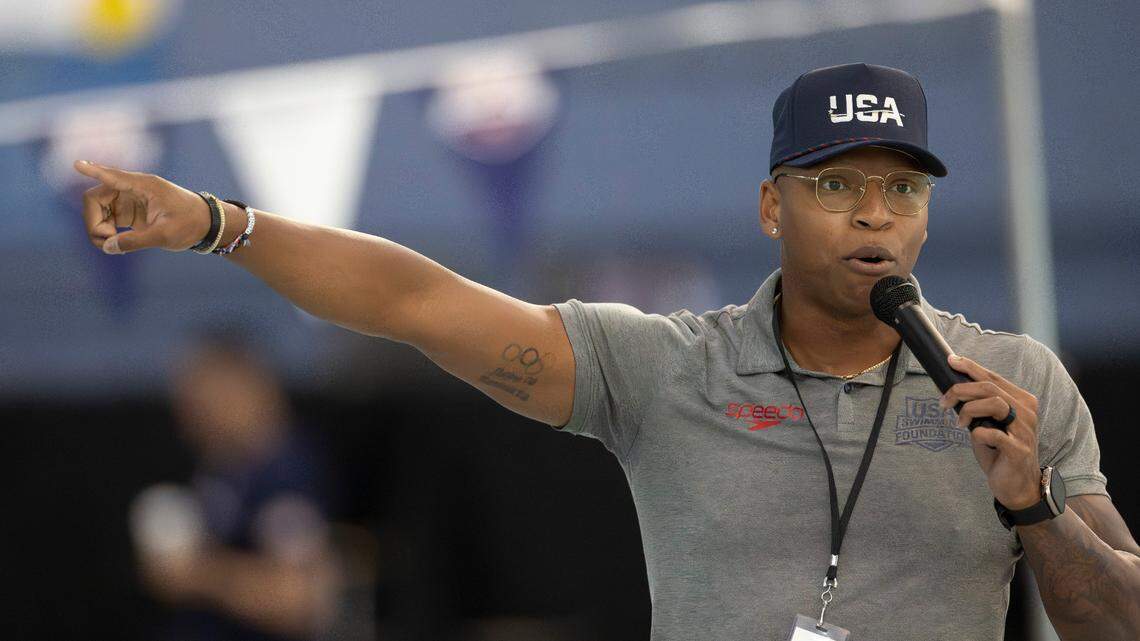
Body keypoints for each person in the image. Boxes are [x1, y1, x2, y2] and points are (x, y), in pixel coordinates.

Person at [74, 63, 1138, 640]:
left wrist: (1034, 504)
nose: (874, 216)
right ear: (772, 205)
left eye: (901, 189)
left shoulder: (1013, 381)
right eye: (836, 184)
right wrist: (217, 220)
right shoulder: (669, 370)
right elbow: (414, 298)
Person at [135, 326, 339, 641]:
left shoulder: (284, 471)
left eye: (198, 403)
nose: (188, 421)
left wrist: (195, 574)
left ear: (239, 387)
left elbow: (297, 599)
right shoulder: (222, 467)